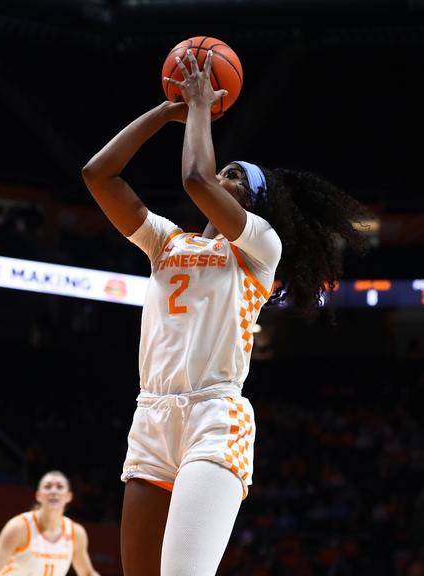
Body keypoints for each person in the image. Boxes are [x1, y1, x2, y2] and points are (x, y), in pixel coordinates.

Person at [81, 50, 370, 575]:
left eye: (233, 174)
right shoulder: (166, 240)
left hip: (214, 417)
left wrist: (195, 108)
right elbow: (99, 174)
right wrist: (165, 113)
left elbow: (195, 177)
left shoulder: (262, 247)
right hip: (151, 413)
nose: (221, 174)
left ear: (252, 202)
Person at [0, 470, 100, 576]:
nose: (53, 491)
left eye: (59, 487)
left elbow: (87, 573)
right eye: (47, 487)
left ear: (69, 496)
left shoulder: (76, 533)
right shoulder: (19, 527)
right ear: (38, 495)